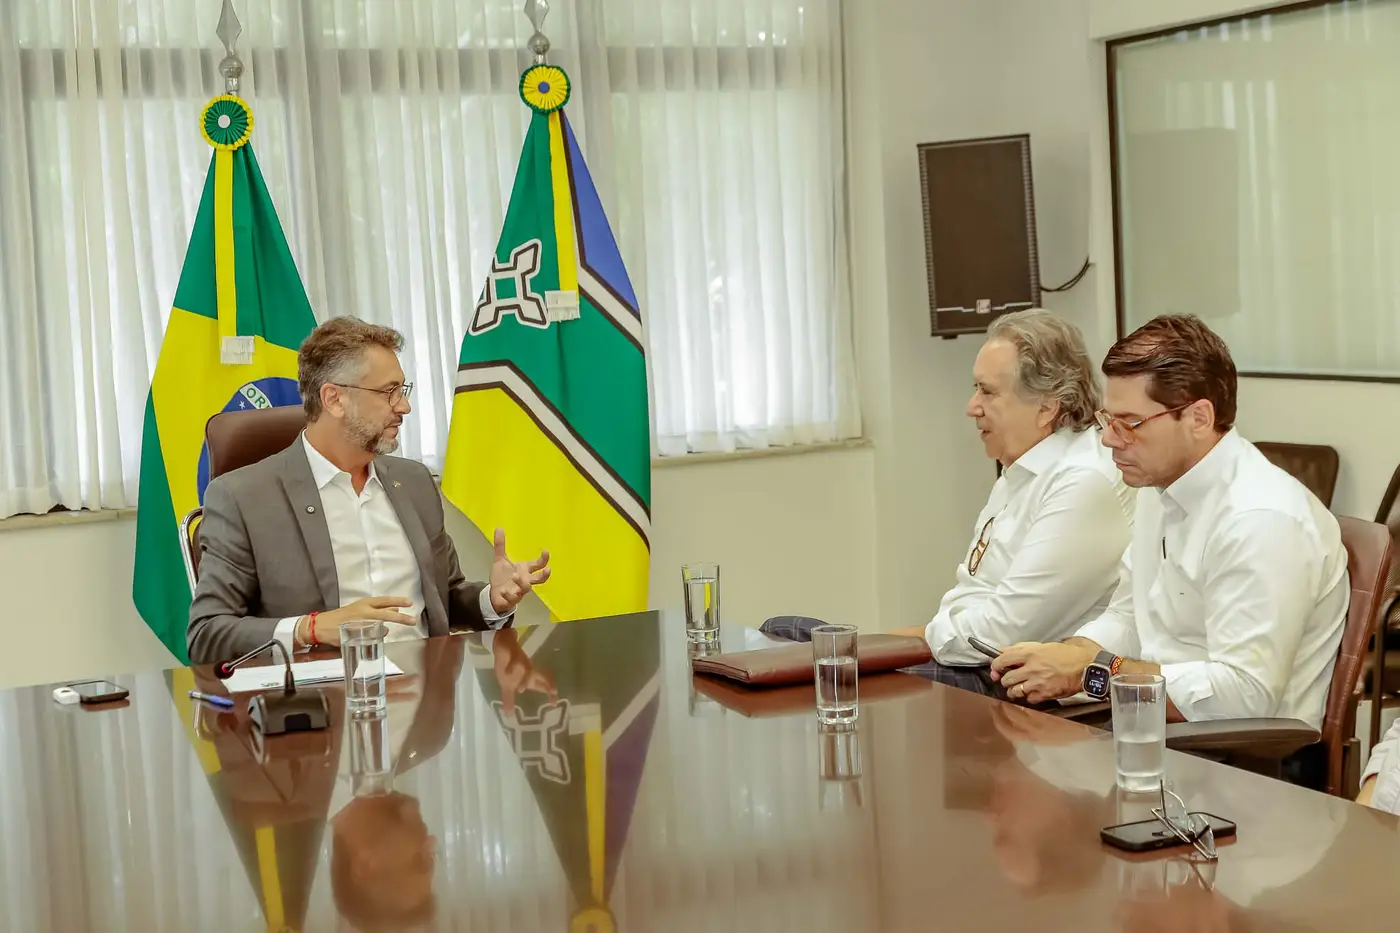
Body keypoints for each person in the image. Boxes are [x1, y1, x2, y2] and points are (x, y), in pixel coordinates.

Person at [990, 314, 1348, 733]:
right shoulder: (1159, 487)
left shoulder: (1261, 519)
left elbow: (1244, 696)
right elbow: (1130, 615)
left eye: (1130, 423)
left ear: (1198, 418)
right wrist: (1071, 654)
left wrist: (1094, 671)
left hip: (1237, 750)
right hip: (1153, 720)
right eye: (1108, 419)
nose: (1109, 439)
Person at [769, 309, 1132, 698]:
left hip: (1004, 679)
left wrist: (914, 639)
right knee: (782, 632)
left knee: (810, 667)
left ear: (1046, 406)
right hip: (962, 655)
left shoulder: (1081, 480)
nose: (972, 407)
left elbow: (1003, 633)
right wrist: (903, 640)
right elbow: (974, 593)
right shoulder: (1022, 468)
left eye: (988, 392)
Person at [187, 316, 550, 664]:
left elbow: (446, 597)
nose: (404, 406)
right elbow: (207, 635)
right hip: (325, 697)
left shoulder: (414, 482)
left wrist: (492, 600)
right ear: (334, 399)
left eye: (402, 390)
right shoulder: (243, 497)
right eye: (389, 392)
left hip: (428, 690)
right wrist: (310, 629)